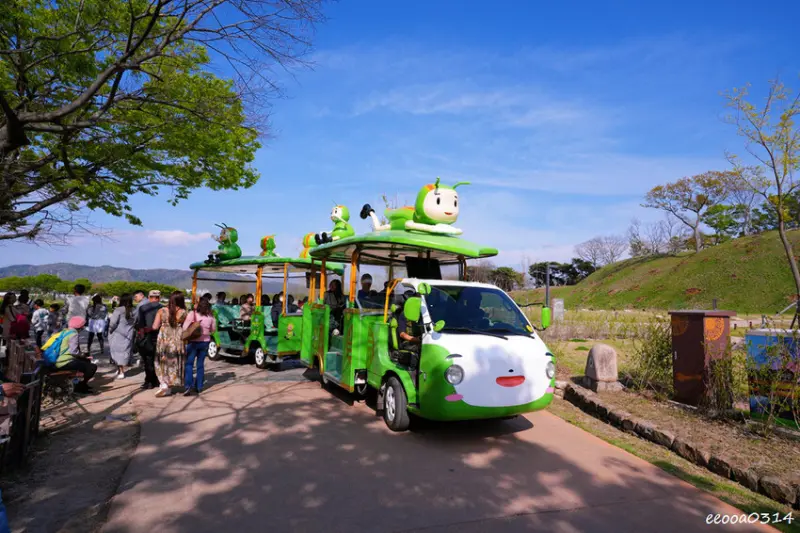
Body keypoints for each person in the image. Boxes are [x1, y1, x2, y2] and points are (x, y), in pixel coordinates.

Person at [152, 291, 187, 397]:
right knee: (174, 361)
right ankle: (170, 385)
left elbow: (154, 326)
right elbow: (185, 327)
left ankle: (164, 384)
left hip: (164, 339)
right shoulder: (184, 312)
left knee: (161, 360)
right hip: (177, 339)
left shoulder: (161, 311)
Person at [53, 316, 98, 394]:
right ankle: (80, 386)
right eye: (83, 325)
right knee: (92, 367)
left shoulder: (65, 331)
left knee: (86, 362)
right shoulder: (74, 334)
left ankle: (81, 384)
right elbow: (73, 351)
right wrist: (82, 355)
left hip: (57, 360)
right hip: (65, 362)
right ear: (79, 326)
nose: (83, 327)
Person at [183, 297, 216, 396]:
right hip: (205, 342)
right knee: (200, 365)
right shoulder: (211, 317)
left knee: (189, 364)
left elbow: (185, 327)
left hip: (193, 342)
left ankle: (188, 386)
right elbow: (213, 330)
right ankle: (199, 386)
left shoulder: (192, 314)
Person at [135, 290, 163, 390]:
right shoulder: (163, 308)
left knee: (148, 360)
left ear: (149, 297)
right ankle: (157, 380)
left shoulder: (143, 308)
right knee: (158, 360)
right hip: (160, 337)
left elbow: (140, 324)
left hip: (147, 336)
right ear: (159, 298)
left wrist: (141, 336)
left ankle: (149, 381)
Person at [108, 293, 136, 380]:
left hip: (118, 333)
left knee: (117, 352)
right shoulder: (134, 310)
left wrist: (110, 330)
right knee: (125, 351)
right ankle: (120, 369)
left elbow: (112, 323)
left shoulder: (119, 310)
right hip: (129, 333)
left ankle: (121, 371)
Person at [86, 294, 108, 360]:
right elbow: (105, 314)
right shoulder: (104, 306)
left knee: (91, 336)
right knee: (100, 336)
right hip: (101, 322)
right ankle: (102, 349)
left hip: (93, 322)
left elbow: (89, 314)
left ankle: (88, 349)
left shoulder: (91, 307)